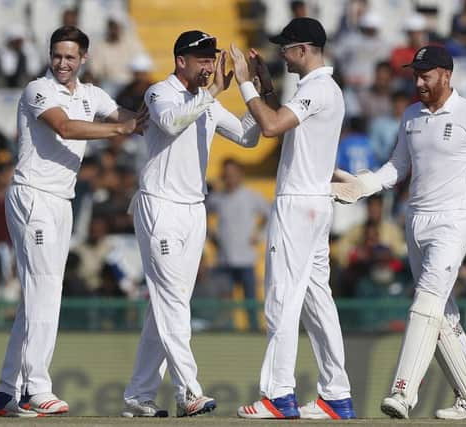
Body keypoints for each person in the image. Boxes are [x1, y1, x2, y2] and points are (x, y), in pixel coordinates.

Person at [332, 45, 466, 420]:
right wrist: (365, 186)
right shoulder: (411, 115)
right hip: (415, 220)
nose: (418, 82)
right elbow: (397, 166)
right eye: (415, 75)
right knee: (439, 313)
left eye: (425, 75)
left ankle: (403, 391)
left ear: (446, 74)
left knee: (425, 304)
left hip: (454, 220)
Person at [0, 26, 147, 418]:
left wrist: (166, 113)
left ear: (83, 59)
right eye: (57, 55)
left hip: (62, 201)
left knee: (38, 296)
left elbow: (131, 117)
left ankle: (8, 392)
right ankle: (35, 389)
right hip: (33, 197)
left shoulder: (91, 94)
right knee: (45, 291)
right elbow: (65, 126)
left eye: (70, 57)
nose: (62, 63)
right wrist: (119, 129)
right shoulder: (37, 90)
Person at [121, 30, 261, 418]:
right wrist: (213, 92)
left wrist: (256, 91)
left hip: (193, 208)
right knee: (170, 301)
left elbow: (249, 138)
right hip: (159, 205)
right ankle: (188, 391)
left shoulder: (206, 102)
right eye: (201, 58)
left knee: (171, 303)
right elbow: (168, 123)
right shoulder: (158, 92)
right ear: (180, 60)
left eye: (211, 58)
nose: (208, 65)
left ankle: (138, 393)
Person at [230, 17, 356, 420]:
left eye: (285, 48)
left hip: (298, 204)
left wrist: (244, 82)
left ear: (302, 51)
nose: (279, 54)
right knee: (318, 300)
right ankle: (336, 395)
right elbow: (287, 126)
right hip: (315, 202)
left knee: (282, 297)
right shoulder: (323, 89)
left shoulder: (318, 89)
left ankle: (278, 395)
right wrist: (267, 87)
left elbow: (269, 127)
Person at [206, 158, 271, 331]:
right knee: (225, 304)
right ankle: (228, 334)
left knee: (250, 302)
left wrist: (260, 235)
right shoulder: (217, 198)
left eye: (233, 175)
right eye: (226, 175)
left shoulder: (251, 196)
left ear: (241, 175)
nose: (230, 179)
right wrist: (209, 234)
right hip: (224, 259)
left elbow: (270, 214)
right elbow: (200, 215)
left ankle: (254, 333)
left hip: (246, 259)